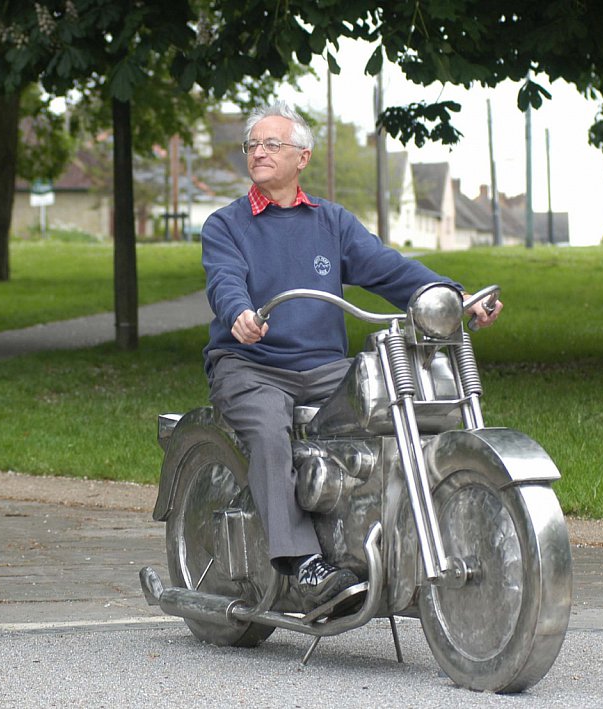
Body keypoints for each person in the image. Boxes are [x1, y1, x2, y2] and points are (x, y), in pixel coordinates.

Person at [201, 101, 502, 611]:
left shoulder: (331, 222)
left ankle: (383, 543)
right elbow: (224, 279)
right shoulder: (226, 224)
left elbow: (388, 269)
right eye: (252, 145)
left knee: (389, 409)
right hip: (250, 364)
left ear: (303, 157)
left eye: (272, 144)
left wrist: (457, 297)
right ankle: (303, 565)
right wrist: (239, 315)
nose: (258, 153)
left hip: (323, 368)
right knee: (269, 428)